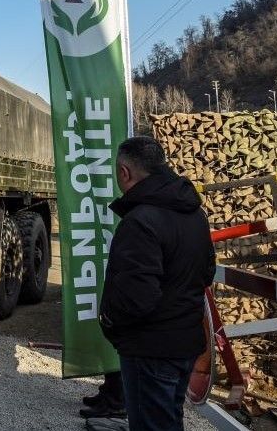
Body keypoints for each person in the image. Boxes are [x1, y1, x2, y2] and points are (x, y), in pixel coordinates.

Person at [99, 136, 216, 431]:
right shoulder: (194, 214)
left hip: (150, 349)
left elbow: (135, 297)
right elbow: (206, 273)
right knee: (168, 421)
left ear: (124, 173)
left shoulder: (140, 220)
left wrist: (111, 324)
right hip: (185, 342)